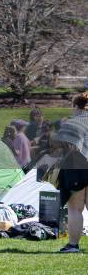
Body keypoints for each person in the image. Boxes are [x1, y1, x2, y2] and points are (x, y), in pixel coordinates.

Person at [52, 92, 88, 253]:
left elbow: (71, 147)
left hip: (78, 167)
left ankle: (73, 245)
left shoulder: (73, 122)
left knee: (75, 208)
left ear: (75, 106)